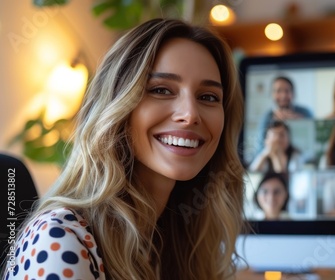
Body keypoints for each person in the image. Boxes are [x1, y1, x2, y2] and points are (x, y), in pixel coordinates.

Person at [1, 19, 245, 280]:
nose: (190, 114)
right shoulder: (58, 240)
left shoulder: (174, 242)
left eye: (208, 97)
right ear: (117, 107)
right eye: (161, 90)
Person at [256, 76, 313, 155]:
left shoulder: (305, 113)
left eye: (287, 91)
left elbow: (312, 143)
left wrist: (299, 122)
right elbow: (259, 149)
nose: (283, 95)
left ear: (293, 94)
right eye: (278, 91)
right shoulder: (267, 117)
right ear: (272, 94)